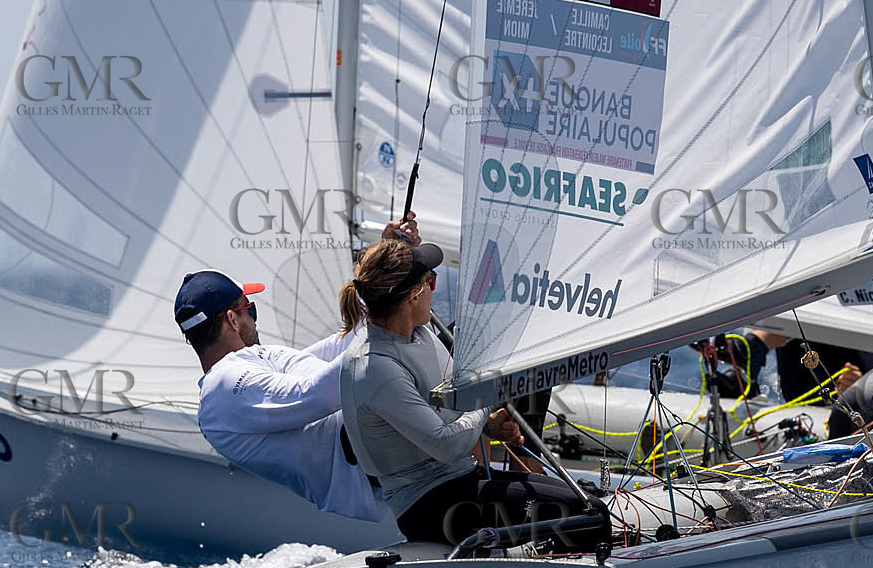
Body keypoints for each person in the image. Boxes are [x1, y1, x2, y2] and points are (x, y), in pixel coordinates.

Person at [339, 239, 597, 547]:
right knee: (589, 516)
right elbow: (446, 445)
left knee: (589, 504)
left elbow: (437, 407)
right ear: (413, 296)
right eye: (428, 282)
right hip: (429, 505)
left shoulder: (417, 335)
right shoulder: (375, 367)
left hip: (459, 483)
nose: (432, 290)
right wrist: (485, 405)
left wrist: (488, 426)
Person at [177, 217, 420, 522]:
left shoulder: (254, 361)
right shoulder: (223, 389)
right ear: (231, 320)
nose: (254, 317)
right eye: (249, 309)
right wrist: (388, 307)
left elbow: (339, 349)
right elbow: (318, 393)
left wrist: (386, 261)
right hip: (381, 470)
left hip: (392, 451)